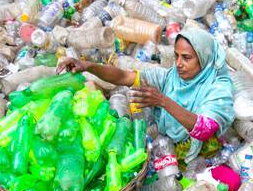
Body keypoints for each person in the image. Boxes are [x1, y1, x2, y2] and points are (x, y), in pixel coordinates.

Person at [58, 26, 235, 155]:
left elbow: (204, 129)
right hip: (167, 149)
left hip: (203, 157)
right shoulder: (170, 77)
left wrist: (162, 101)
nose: (179, 63)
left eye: (186, 58)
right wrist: (88, 66)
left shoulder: (218, 88)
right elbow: (122, 77)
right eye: (176, 56)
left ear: (204, 59)